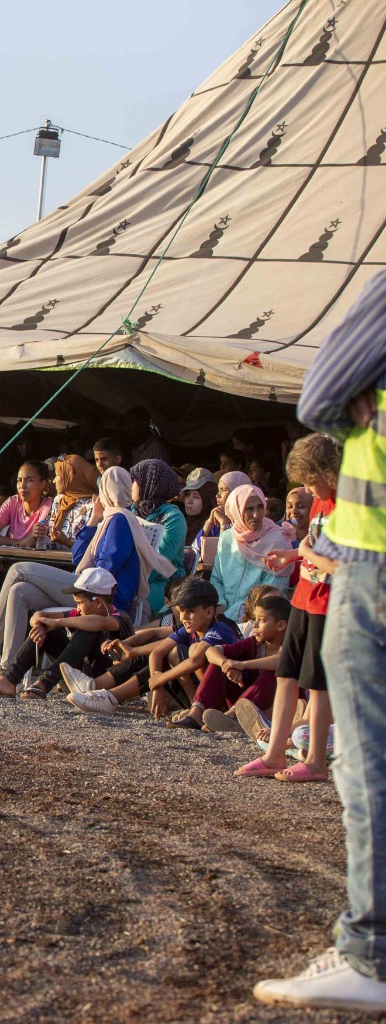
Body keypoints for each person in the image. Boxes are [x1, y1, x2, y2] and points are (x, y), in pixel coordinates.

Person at [251, 276, 386, 1010]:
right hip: (343, 576)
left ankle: (372, 955)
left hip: (374, 564)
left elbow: (319, 395)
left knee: (369, 769)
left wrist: (352, 403)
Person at [0, 466, 175, 668]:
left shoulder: (120, 521)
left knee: (19, 569)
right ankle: (8, 666)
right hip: (91, 587)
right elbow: (79, 557)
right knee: (19, 591)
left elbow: (104, 571)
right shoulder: (109, 519)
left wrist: (95, 527)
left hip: (103, 597)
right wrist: (92, 520)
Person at [237, 434, 342, 783]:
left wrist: (306, 553)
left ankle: (314, 761)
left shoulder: (349, 507)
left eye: (313, 480)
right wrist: (294, 554)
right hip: (306, 596)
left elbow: (337, 562)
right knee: (287, 673)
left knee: (317, 682)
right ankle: (274, 753)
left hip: (329, 602)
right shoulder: (321, 503)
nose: (310, 489)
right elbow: (314, 547)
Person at [65, 578, 239, 716]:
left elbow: (194, 661)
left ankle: (106, 695)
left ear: (209, 612)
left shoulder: (220, 628)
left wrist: (159, 679)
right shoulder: (192, 627)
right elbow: (157, 650)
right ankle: (103, 694)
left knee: (175, 653)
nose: (184, 617)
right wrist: (156, 683)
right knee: (163, 653)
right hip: (202, 695)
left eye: (190, 611)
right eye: (180, 611)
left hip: (226, 699)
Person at [0, 567, 130, 699]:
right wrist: (42, 625)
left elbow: (99, 623)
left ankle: (44, 683)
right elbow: (39, 616)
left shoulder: (119, 619)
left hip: (103, 685)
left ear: (99, 602)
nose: (78, 608)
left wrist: (57, 622)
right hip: (77, 681)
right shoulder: (80, 614)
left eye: (80, 603)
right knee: (46, 629)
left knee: (88, 629)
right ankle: (9, 679)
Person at [175, 592, 289, 731]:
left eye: (262, 620)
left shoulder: (291, 646)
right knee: (217, 664)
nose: (255, 625)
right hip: (247, 701)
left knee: (273, 674)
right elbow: (211, 651)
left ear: (281, 625)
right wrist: (226, 665)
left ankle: (232, 717)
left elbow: (283, 661)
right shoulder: (253, 643)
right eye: (255, 619)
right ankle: (196, 714)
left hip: (273, 707)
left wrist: (242, 665)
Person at [208, 484, 292, 622]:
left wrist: (230, 616)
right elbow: (217, 578)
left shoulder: (278, 540)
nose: (256, 514)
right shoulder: (227, 537)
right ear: (236, 510)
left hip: (258, 619)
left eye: (260, 507)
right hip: (221, 615)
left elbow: (271, 592)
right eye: (249, 509)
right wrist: (220, 606)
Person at [131, 458, 189, 616]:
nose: (131, 486)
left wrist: (130, 581)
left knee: (134, 604)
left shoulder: (173, 518)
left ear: (148, 482)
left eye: (135, 480)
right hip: (132, 576)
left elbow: (159, 562)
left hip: (164, 582)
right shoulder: (130, 511)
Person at [0, 460, 53, 549]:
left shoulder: (49, 505)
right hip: (12, 557)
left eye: (30, 480)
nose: (22, 485)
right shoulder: (12, 502)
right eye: (19, 480)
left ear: (42, 484)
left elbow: (36, 540)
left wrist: (21, 543)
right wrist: (21, 543)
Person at [48, 454, 100, 549]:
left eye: (57, 476)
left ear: (70, 477)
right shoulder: (59, 501)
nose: (54, 481)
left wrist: (67, 542)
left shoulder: (94, 505)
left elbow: (92, 550)